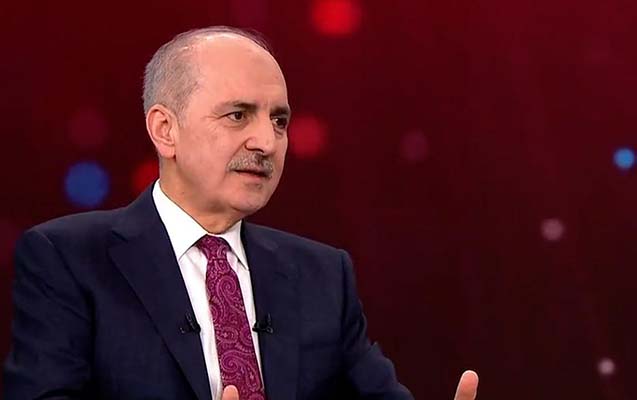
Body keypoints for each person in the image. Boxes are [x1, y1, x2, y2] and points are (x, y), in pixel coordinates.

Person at [3, 26, 479, 400]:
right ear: (165, 130)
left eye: (279, 121)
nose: (266, 142)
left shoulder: (323, 274)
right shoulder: (68, 259)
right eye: (238, 115)